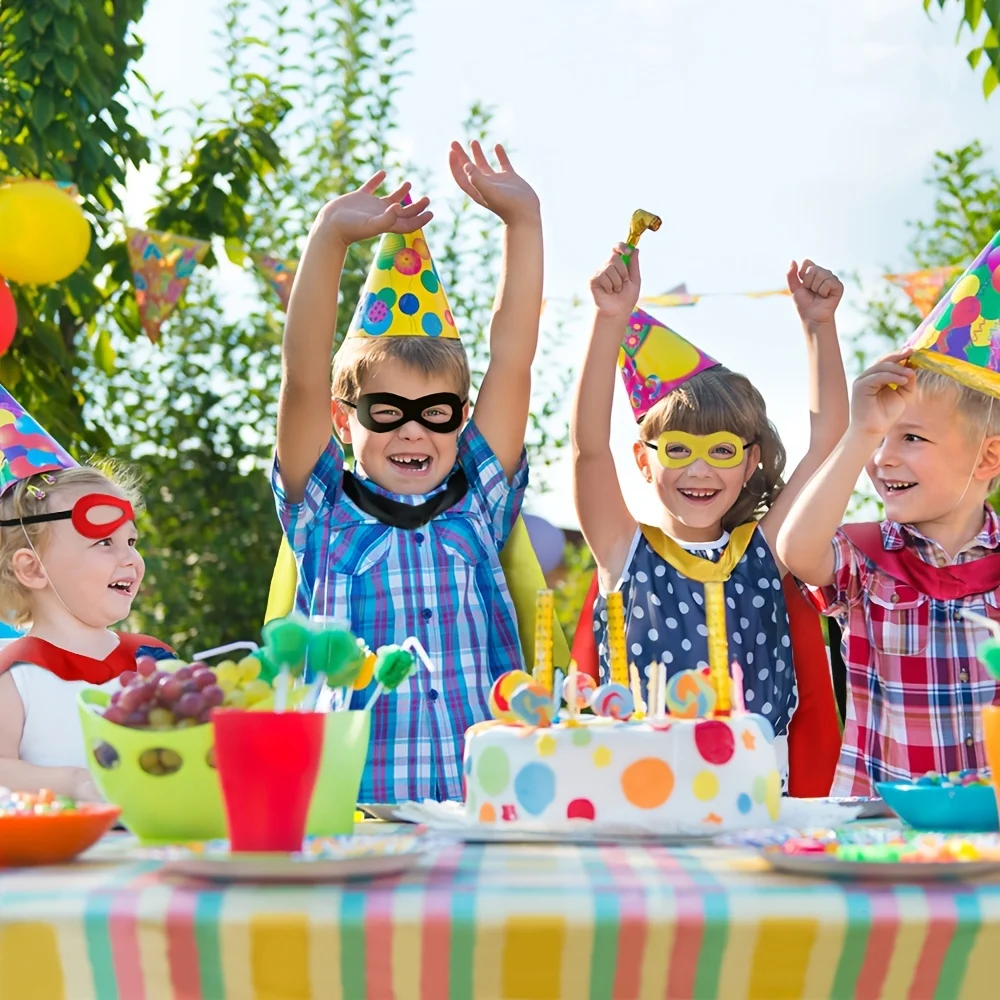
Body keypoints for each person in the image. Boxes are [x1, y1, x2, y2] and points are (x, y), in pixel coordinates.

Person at [272, 142, 544, 804]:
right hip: (352, 813)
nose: (414, 429)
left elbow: (511, 358)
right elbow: (304, 375)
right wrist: (330, 235)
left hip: (485, 811)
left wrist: (523, 222)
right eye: (387, 411)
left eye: (438, 411)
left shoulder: (479, 498)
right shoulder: (324, 511)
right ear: (345, 421)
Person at [571, 242, 846, 792]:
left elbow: (830, 443)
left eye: (721, 450)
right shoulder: (622, 551)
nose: (700, 469)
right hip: (639, 787)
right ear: (644, 462)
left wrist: (820, 328)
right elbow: (589, 450)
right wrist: (608, 323)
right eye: (678, 449)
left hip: (757, 790)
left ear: (751, 464)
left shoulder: (767, 549)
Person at [777, 352, 1000, 795]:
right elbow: (796, 550)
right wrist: (860, 432)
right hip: (882, 828)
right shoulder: (866, 558)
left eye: (911, 438)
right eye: (879, 440)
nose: (881, 459)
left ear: (987, 457)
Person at [0, 389, 170, 798]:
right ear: (32, 568)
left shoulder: (154, 660)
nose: (131, 559)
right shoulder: (13, 675)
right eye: (103, 544)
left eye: (131, 542)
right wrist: (74, 782)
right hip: (53, 860)